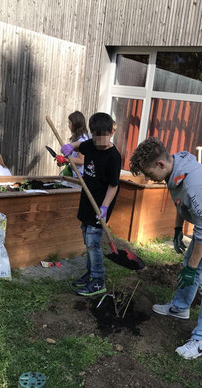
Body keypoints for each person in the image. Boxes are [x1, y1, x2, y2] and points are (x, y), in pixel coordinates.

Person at [129, 137, 202, 360]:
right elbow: (181, 201)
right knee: (190, 263)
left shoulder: (193, 184)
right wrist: (177, 228)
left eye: (149, 173)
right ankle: (180, 307)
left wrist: (193, 268)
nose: (148, 178)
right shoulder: (176, 170)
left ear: (161, 165)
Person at [61, 113, 121, 296]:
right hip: (87, 200)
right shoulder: (91, 144)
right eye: (96, 136)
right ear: (92, 133)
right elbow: (81, 145)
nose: (100, 141)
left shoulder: (113, 157)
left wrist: (104, 207)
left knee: (93, 242)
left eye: (104, 136)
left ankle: (98, 280)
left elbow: (113, 185)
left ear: (111, 132)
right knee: (87, 239)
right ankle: (90, 273)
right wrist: (71, 146)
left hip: (100, 205)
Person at [56, 111, 91, 178]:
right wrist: (64, 161)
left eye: (69, 123)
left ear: (75, 124)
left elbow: (82, 160)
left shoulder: (82, 140)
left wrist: (66, 160)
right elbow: (73, 158)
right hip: (75, 174)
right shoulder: (76, 138)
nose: (68, 125)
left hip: (80, 177)